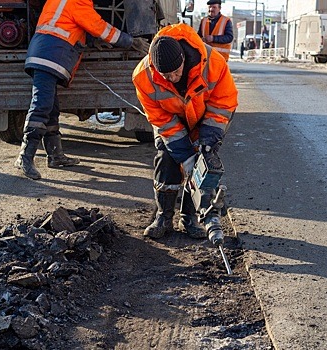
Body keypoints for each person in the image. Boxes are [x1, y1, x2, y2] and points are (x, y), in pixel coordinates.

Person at [15, 0, 150, 180]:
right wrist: (132, 41)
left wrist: (90, 40)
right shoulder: (77, 2)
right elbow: (102, 28)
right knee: (41, 107)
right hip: (49, 56)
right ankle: (25, 156)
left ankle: (55, 155)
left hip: (45, 53)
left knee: (51, 108)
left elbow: (69, 24)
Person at [132, 23, 238, 239]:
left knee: (202, 164)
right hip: (171, 120)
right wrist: (185, 158)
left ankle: (190, 217)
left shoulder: (213, 63)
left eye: (176, 72)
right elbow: (163, 122)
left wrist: (206, 143)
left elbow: (223, 105)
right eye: (166, 75)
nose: (172, 78)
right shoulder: (143, 77)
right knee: (167, 158)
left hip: (204, 120)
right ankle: (163, 216)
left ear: (184, 60)